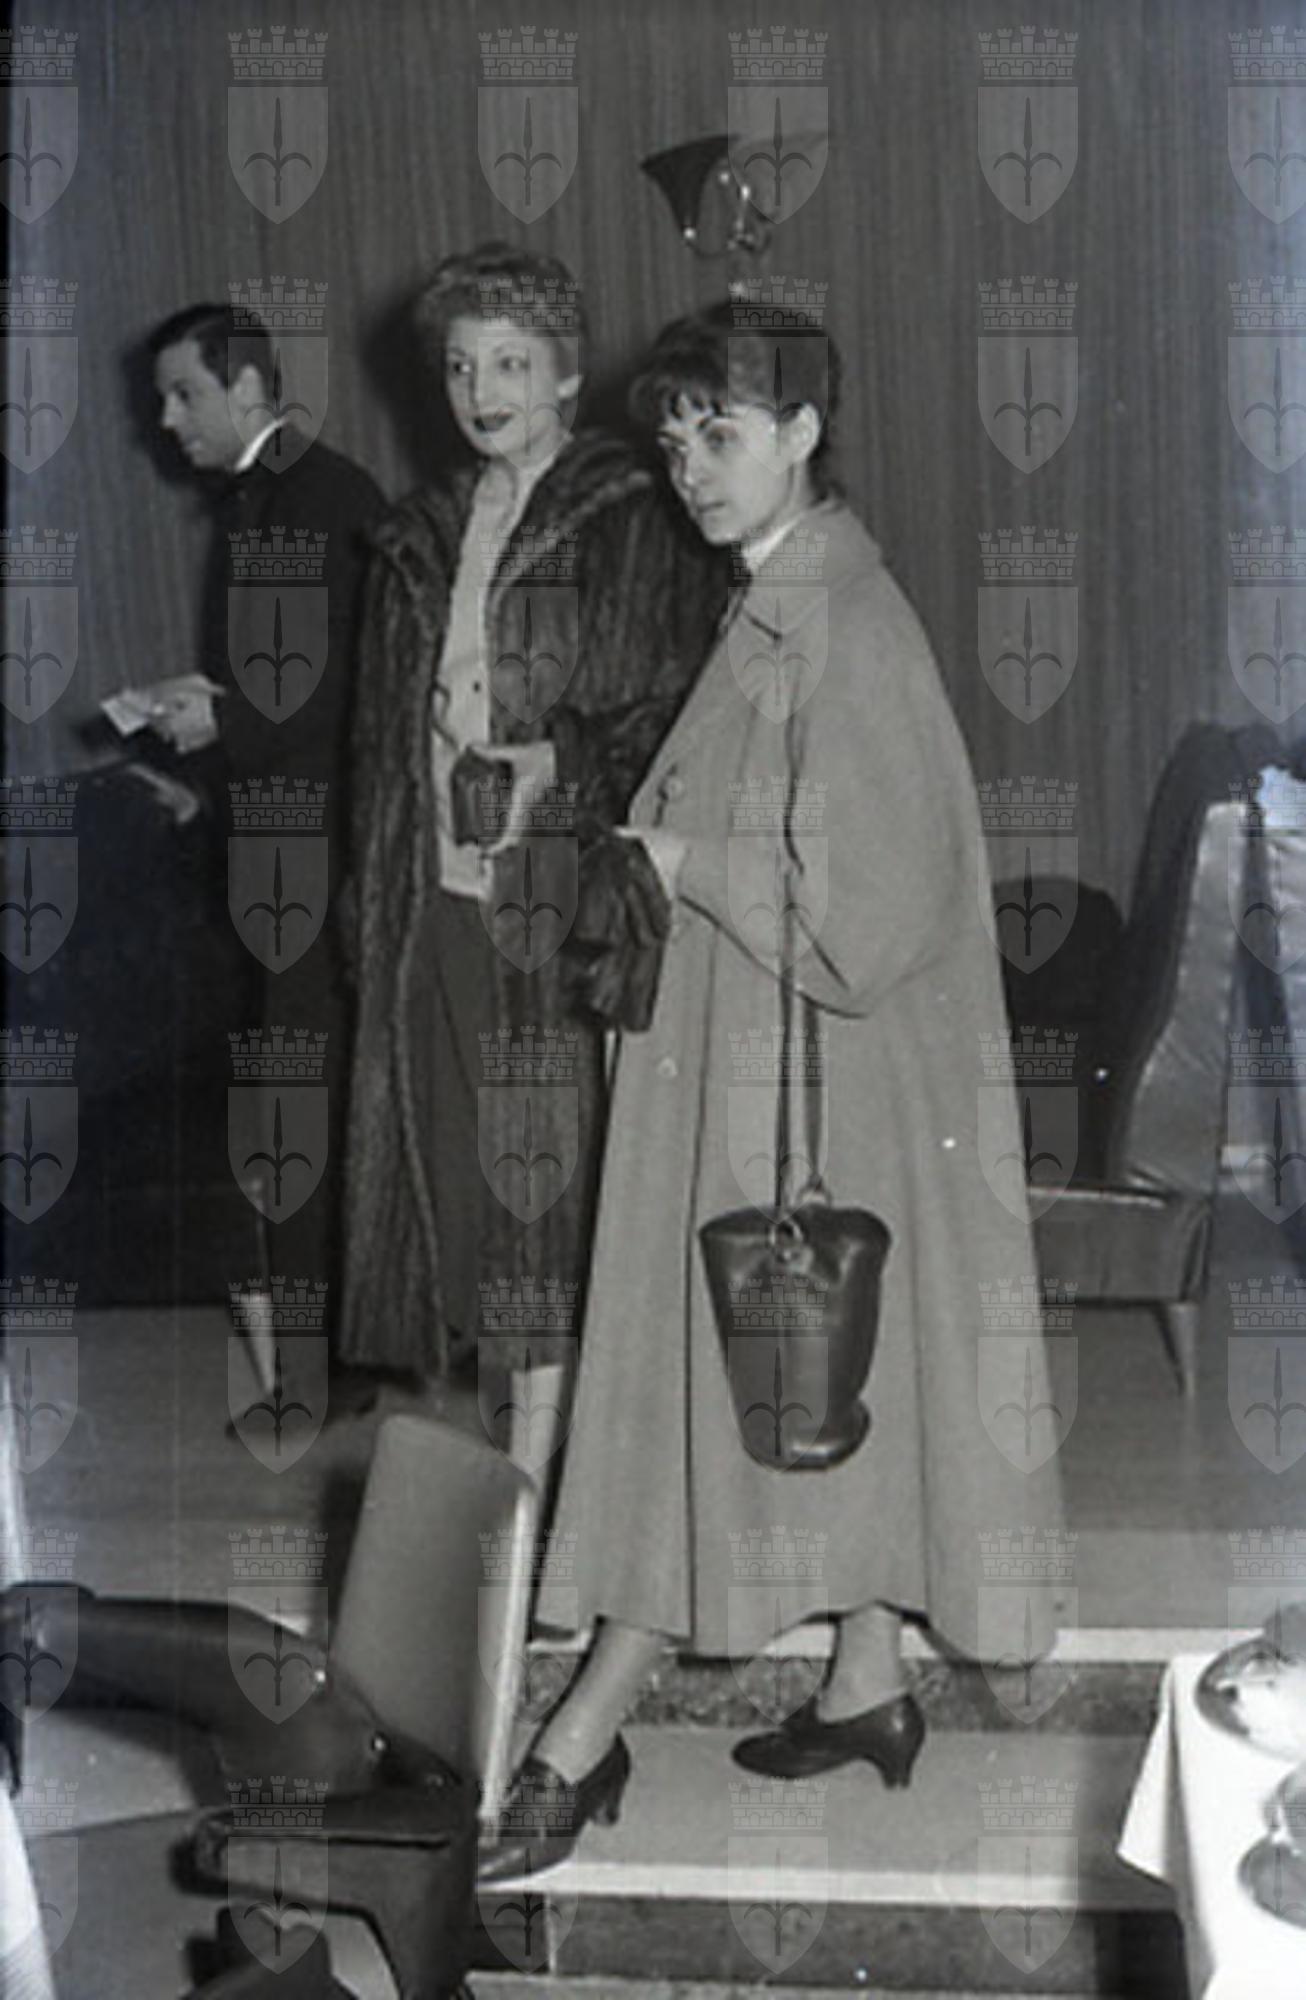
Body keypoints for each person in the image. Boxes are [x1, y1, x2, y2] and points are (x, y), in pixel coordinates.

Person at [478, 302, 1066, 1881]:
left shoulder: (844, 627)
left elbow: (861, 912)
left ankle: (579, 1736)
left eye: (720, 435)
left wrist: (679, 857)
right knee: (808, 1394)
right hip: (779, 1081)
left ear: (802, 433)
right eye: (674, 439)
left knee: (713, 1407)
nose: (690, 467)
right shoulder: (779, 597)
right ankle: (868, 1682)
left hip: (812, 1091)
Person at [340, 245, 724, 1470]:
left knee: (545, 1214)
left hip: (559, 911)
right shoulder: (424, 531)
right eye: (461, 366)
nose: (481, 390)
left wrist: (552, 765)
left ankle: (555, 1487)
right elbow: (380, 740)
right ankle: (521, 1479)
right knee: (462, 1199)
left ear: (565, 376)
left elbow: (674, 715)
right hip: (436, 903)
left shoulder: (632, 517)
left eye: (510, 363)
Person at [148, 304, 386, 1414]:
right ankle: (323, 1363)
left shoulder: (325, 499)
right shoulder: (272, 497)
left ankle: (323, 1371)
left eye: (183, 394)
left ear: (247, 390)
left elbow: (349, 688)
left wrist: (226, 722)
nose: (167, 420)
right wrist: (201, 780)